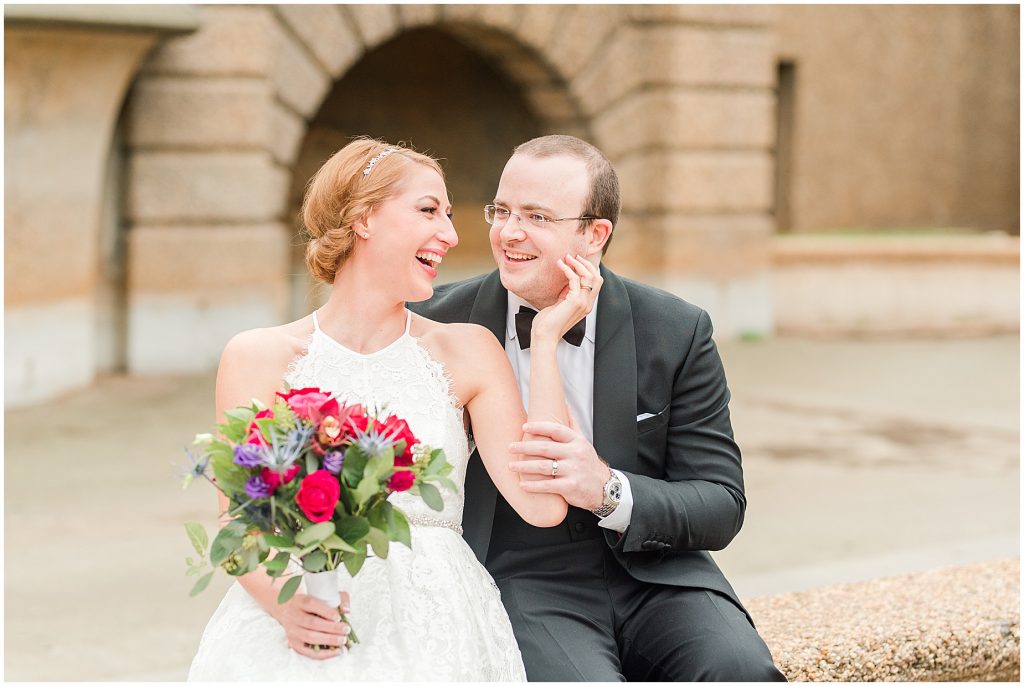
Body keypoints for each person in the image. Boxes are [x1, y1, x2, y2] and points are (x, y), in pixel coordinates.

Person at [187, 138, 601, 681]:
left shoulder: (468, 350)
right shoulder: (256, 356)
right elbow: (240, 524)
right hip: (303, 621)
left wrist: (546, 341)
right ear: (362, 218)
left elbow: (543, 506)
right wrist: (288, 608)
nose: (451, 235)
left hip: (440, 630)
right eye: (429, 211)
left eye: (450, 216)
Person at [411, 135, 786, 681]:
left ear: (594, 233)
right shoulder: (435, 321)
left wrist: (608, 489)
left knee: (740, 671)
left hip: (659, 574)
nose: (508, 232)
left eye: (536, 216)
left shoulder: (676, 330)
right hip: (521, 578)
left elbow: (721, 502)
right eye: (503, 210)